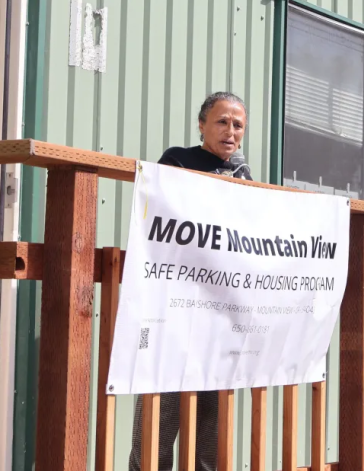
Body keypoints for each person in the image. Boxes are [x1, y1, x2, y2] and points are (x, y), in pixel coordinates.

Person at [129, 91, 250, 471]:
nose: (231, 131)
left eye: (238, 125)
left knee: (209, 432)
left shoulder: (244, 175)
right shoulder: (178, 160)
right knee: (158, 425)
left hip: (218, 315)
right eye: (222, 122)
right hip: (174, 310)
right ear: (201, 125)